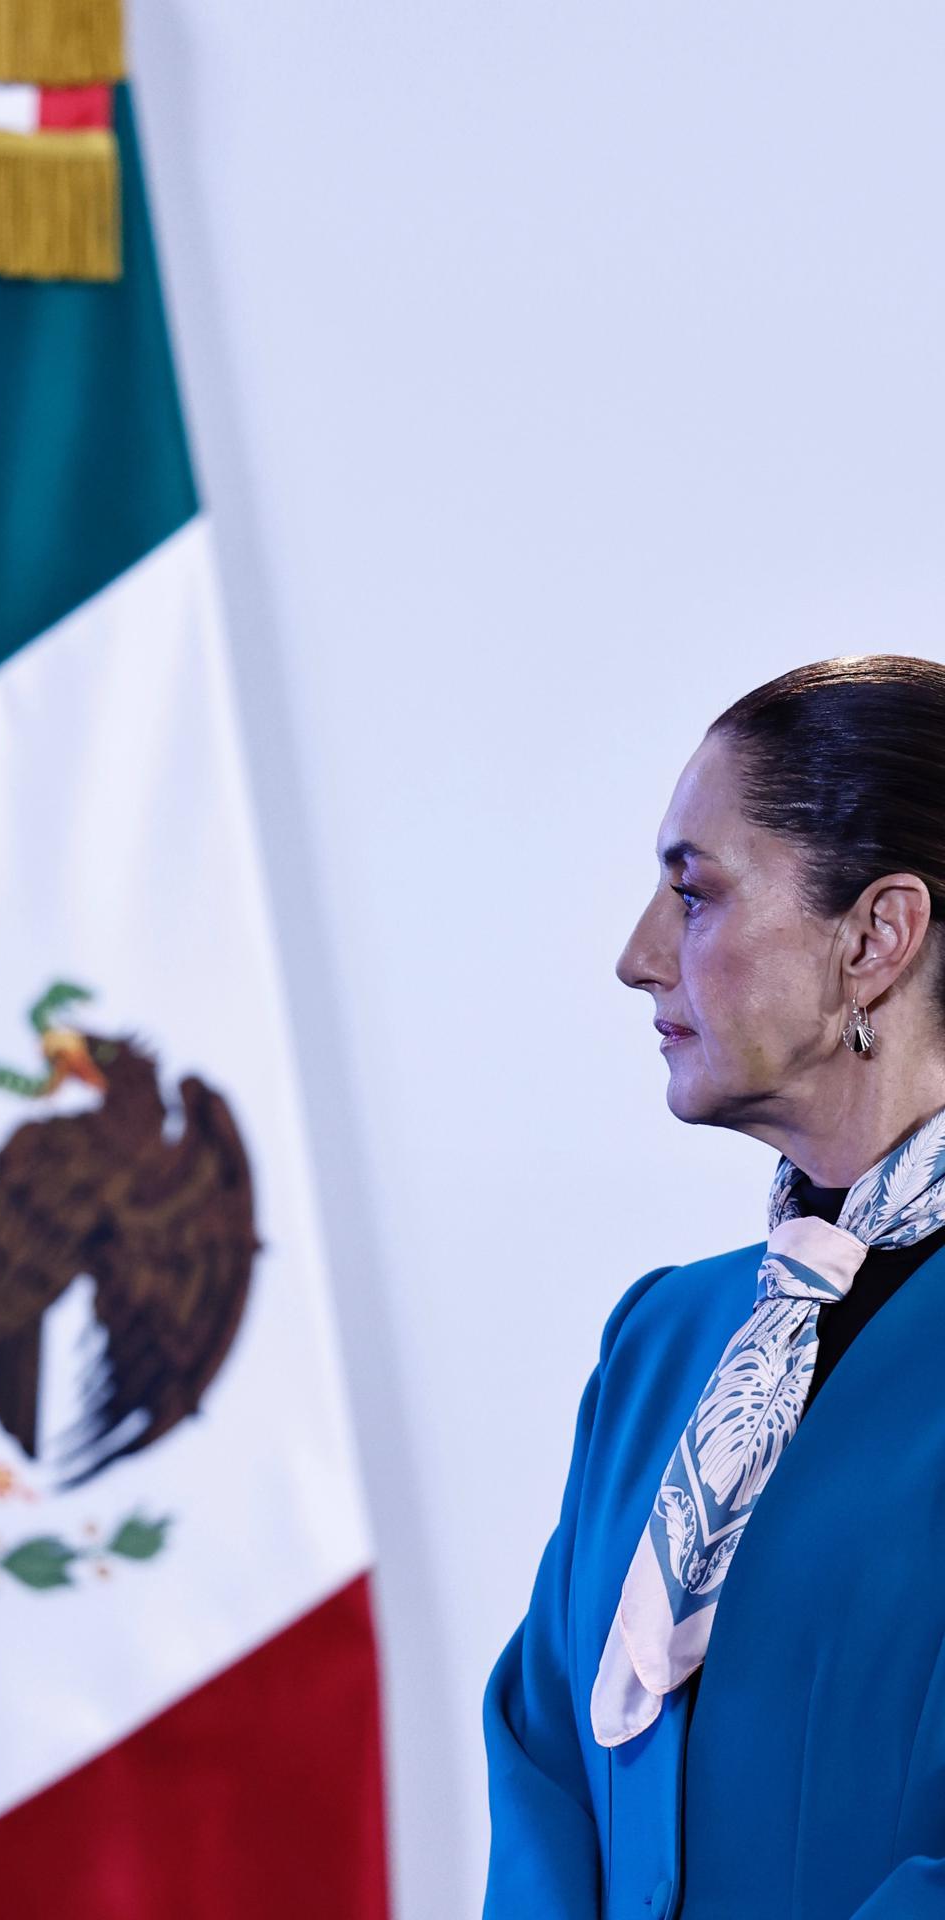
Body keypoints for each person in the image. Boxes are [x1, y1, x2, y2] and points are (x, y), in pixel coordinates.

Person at [482, 654, 945, 1920]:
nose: (635, 958)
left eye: (691, 893)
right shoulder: (660, 1342)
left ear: (874, 937)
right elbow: (541, 1768)